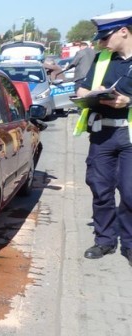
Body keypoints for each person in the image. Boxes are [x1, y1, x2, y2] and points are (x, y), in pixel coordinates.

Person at [73, 10, 132, 265]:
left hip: (129, 135)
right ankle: (104, 241)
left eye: (105, 37)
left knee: (130, 193)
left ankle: (129, 245)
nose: (101, 42)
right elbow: (81, 88)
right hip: (102, 134)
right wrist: (90, 93)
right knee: (100, 190)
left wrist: (128, 101)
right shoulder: (102, 59)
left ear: (124, 31)